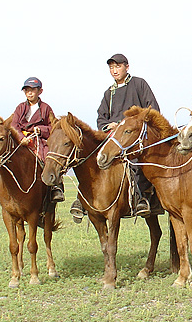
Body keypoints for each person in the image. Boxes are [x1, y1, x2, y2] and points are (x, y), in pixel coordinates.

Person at [69, 54, 160, 222]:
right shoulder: (108, 93)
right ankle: (82, 199)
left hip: (134, 135)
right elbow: (101, 117)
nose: (114, 70)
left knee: (136, 160)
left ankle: (142, 198)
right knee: (92, 158)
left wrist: (124, 124)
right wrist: (108, 127)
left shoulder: (139, 84)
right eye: (111, 68)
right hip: (112, 136)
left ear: (127, 66)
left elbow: (152, 109)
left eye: (117, 66)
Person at [0, 77, 65, 203]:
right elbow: (14, 124)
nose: (30, 93)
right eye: (27, 90)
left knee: (48, 157)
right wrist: (21, 138)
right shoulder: (20, 108)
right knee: (3, 154)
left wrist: (40, 130)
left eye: (33, 90)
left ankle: (56, 187)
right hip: (20, 141)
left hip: (38, 140)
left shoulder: (46, 108)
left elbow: (52, 126)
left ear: (40, 91)